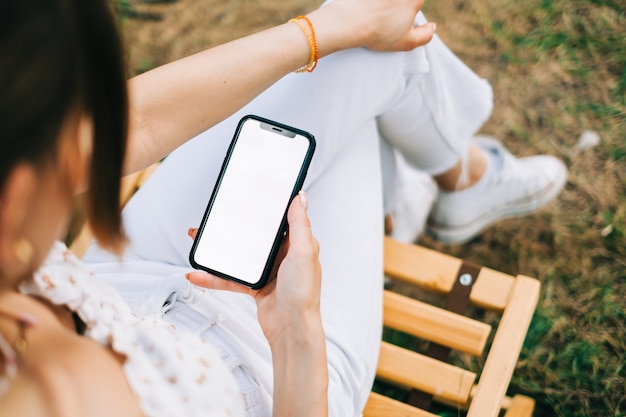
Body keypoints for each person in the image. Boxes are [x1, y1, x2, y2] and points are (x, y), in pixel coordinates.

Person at [0, 1, 566, 417]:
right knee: (372, 90)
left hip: (135, 272)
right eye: (68, 145)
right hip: (274, 373)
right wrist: (295, 327)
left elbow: (136, 123)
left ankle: (454, 182)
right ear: (22, 193)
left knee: (367, 52)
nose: (86, 158)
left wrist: (319, 32)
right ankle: (453, 181)